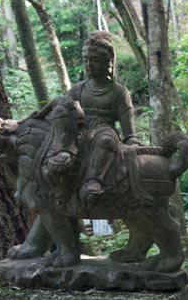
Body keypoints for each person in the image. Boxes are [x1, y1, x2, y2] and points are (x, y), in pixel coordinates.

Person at [28, 30, 139, 204]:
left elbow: (128, 129)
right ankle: (57, 177)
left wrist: (131, 138)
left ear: (107, 62)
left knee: (106, 140)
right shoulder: (78, 89)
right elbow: (61, 107)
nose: (89, 64)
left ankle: (94, 180)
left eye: (94, 60)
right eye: (86, 59)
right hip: (78, 131)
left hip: (104, 131)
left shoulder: (118, 92)